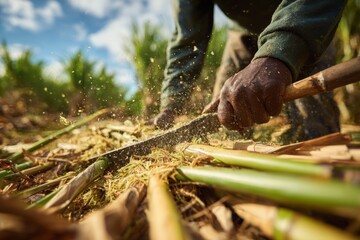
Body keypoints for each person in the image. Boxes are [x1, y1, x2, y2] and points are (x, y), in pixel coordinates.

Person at [153, 0, 346, 142]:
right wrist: (171, 104)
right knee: (226, 119)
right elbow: (188, 41)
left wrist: (279, 52)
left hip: (303, 23)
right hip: (243, 33)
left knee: (316, 132)